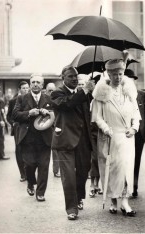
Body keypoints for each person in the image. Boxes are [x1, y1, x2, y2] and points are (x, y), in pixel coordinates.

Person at [91, 59, 140, 217]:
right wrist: (106, 128)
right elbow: (97, 117)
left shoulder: (129, 92)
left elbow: (136, 113)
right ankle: (113, 200)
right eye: (114, 74)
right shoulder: (102, 93)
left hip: (126, 136)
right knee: (111, 169)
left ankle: (125, 201)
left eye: (120, 74)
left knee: (126, 168)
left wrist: (134, 128)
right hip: (110, 136)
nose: (118, 77)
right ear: (108, 75)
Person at [50, 65, 95, 220]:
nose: (75, 79)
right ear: (63, 78)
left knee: (83, 171)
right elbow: (67, 104)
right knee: (68, 176)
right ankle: (71, 208)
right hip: (65, 140)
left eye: (76, 76)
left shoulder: (82, 93)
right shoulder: (57, 93)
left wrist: (92, 87)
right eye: (70, 76)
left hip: (83, 140)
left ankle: (79, 197)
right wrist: (85, 91)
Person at [12, 74, 53, 202]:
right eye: (33, 82)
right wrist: (29, 113)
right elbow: (15, 115)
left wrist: (49, 113)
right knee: (29, 165)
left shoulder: (48, 98)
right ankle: (30, 182)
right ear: (30, 84)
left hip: (44, 138)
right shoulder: (22, 98)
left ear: (42, 85)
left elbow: (56, 114)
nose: (35, 84)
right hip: (28, 138)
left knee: (44, 166)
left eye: (38, 82)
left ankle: (40, 192)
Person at [124, 68, 145, 198]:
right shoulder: (120, 94)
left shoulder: (142, 95)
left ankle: (134, 186)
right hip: (124, 133)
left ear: (135, 81)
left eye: (131, 80)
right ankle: (124, 186)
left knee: (136, 161)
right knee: (124, 160)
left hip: (138, 134)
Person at [6, 81, 29, 181]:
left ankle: (29, 172)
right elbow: (8, 115)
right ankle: (23, 174)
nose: (26, 90)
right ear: (19, 89)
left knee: (29, 150)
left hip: (29, 128)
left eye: (27, 88)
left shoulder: (31, 99)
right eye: (24, 88)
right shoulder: (13, 101)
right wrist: (13, 123)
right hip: (18, 129)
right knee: (19, 150)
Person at [45, 82, 60, 178]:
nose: (51, 92)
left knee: (56, 150)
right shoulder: (42, 100)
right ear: (46, 91)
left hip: (55, 128)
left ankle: (56, 170)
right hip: (44, 129)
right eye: (49, 90)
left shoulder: (58, 100)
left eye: (52, 90)